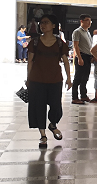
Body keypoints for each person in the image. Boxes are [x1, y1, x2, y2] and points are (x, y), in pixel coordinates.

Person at [26, 14, 71, 149]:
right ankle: (43, 135)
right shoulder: (35, 42)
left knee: (56, 107)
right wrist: (28, 78)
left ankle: (53, 124)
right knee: (38, 107)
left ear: (53, 26)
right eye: (41, 23)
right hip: (37, 79)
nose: (43, 25)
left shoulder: (59, 43)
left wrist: (69, 78)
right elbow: (30, 61)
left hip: (55, 79)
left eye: (46, 22)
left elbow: (66, 61)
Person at [71, 14, 93, 105]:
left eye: (90, 21)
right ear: (81, 21)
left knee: (85, 78)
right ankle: (74, 97)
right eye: (87, 20)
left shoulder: (87, 32)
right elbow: (76, 46)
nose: (89, 22)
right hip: (81, 56)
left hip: (88, 57)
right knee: (78, 78)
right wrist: (79, 58)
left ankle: (83, 95)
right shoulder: (77, 32)